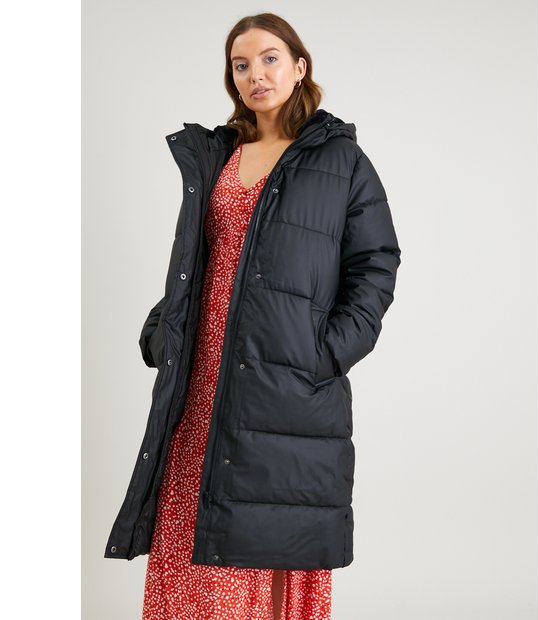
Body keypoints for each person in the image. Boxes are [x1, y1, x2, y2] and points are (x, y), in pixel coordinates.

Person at [104, 12, 401, 620]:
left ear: (299, 67)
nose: (255, 75)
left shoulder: (341, 160)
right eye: (241, 65)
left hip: (284, 377)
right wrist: (162, 328)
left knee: (264, 526)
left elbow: (377, 263)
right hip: (201, 375)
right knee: (191, 523)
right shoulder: (219, 154)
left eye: (269, 59)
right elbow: (198, 259)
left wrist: (325, 351)